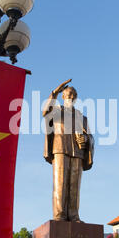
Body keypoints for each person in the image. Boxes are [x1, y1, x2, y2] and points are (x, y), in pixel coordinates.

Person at [43, 79, 94, 222]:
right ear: (63, 96)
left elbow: (89, 135)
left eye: (74, 95)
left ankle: (73, 215)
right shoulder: (57, 111)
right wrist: (54, 93)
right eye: (69, 94)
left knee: (74, 186)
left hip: (77, 151)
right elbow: (45, 111)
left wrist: (86, 139)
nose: (71, 97)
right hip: (60, 148)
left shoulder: (81, 117)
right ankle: (59, 215)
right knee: (60, 183)